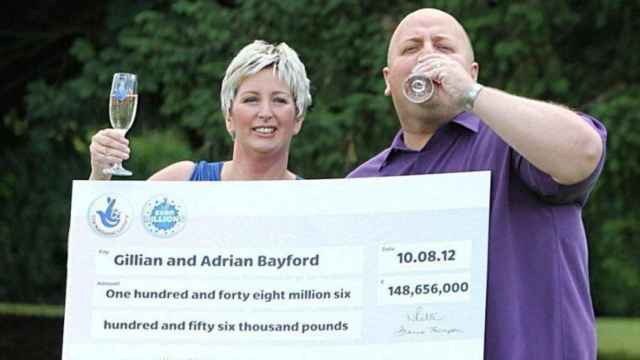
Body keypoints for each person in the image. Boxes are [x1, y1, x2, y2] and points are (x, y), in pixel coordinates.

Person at [348, 8, 606, 360]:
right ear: (388, 79)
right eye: (411, 48)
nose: (427, 55)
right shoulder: (361, 185)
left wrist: (470, 95)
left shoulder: (516, 142)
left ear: (471, 73)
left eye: (443, 47)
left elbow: (583, 152)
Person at [89, 40, 311, 181]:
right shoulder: (182, 181)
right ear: (229, 116)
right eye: (251, 99)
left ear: (298, 118)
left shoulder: (315, 203)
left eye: (279, 100)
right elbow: (105, 246)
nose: (265, 112)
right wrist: (100, 174)